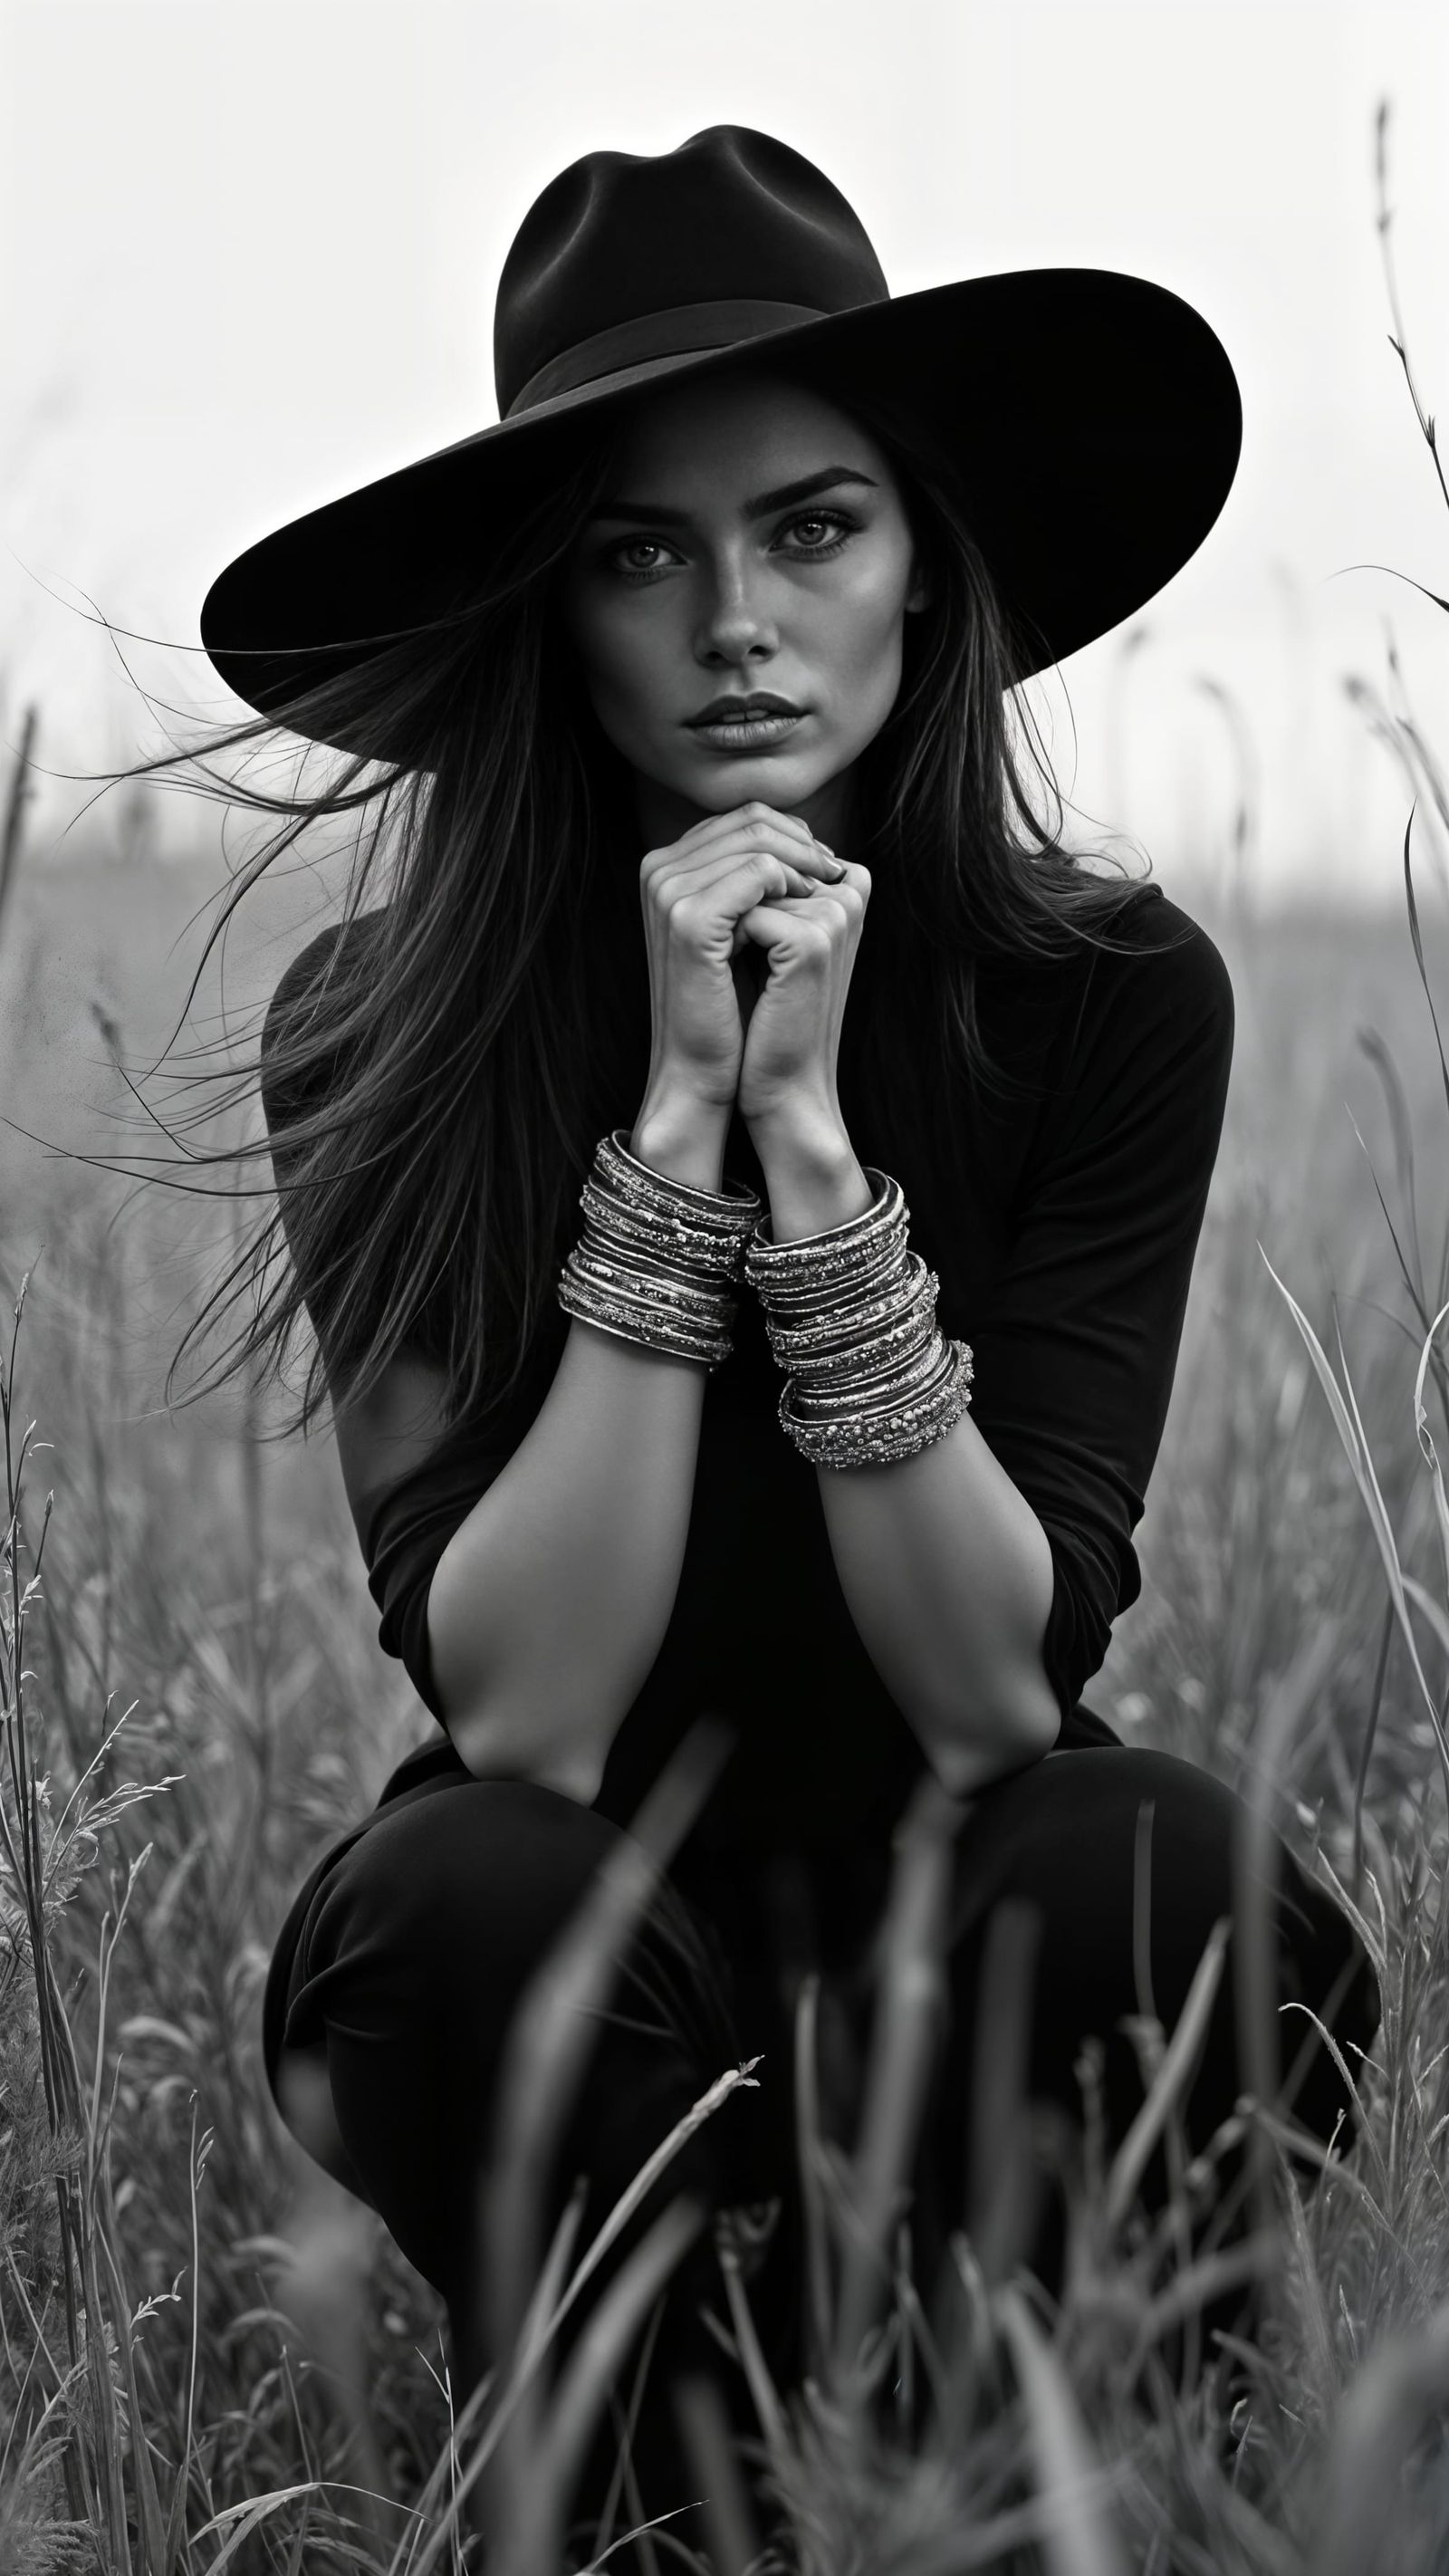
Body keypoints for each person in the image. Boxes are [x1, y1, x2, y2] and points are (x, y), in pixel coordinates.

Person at [190, 127, 1378, 2560]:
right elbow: (520, 1712)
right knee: (440, 1909)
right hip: (587, 1950)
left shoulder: (1113, 997)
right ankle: (650, 2472)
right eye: (642, 550)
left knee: (1165, 1868)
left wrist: (821, 1157)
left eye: (811, 528)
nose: (737, 617)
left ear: (927, 573)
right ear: (559, 611)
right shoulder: (378, 1030)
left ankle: (1045, 2433)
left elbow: (982, 1689)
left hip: (978, 1901)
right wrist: (675, 1118)